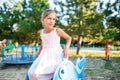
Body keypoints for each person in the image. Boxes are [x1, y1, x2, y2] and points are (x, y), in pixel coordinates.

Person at [28, 9, 72, 80]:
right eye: (49, 18)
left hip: (55, 56)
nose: (52, 21)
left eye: (54, 19)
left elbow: (69, 38)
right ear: (42, 19)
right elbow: (43, 42)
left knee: (38, 74)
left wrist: (66, 47)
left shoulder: (57, 31)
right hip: (44, 55)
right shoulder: (42, 32)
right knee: (31, 73)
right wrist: (39, 50)